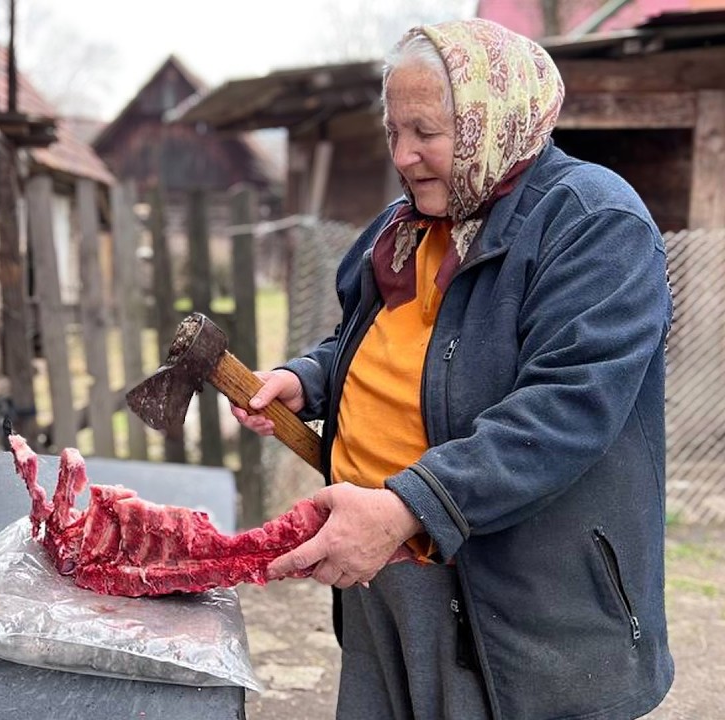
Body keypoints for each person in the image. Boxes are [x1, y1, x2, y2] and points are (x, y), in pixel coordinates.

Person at [233, 18, 674, 720]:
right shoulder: (406, 228)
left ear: (493, 119)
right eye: (392, 132)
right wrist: (308, 379)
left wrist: (410, 506)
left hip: (515, 596)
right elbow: (369, 339)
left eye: (427, 131)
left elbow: (566, 407)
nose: (404, 155)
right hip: (382, 567)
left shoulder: (594, 222)